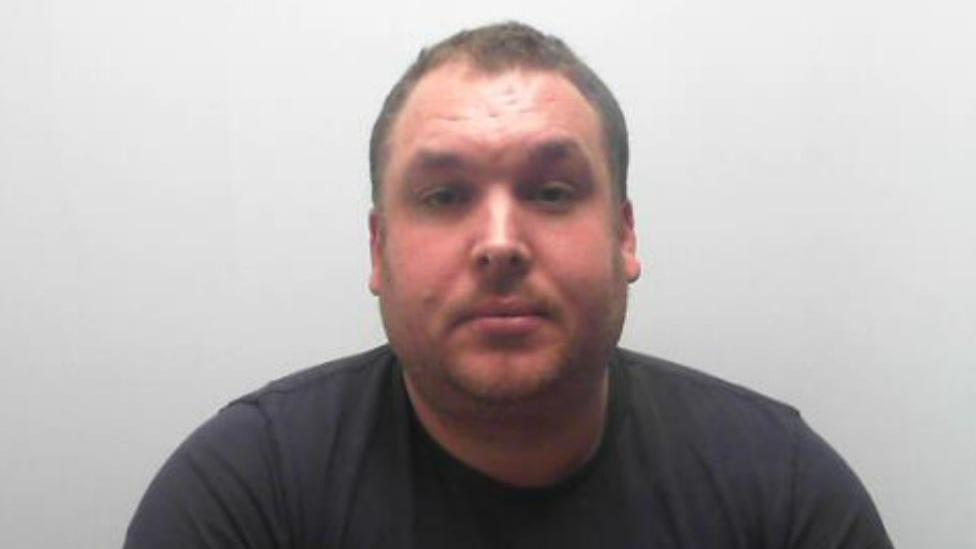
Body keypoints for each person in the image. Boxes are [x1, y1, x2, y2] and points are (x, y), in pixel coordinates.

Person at [124, 22, 893, 548]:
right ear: (379, 248)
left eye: (552, 192)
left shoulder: (781, 496)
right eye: (445, 196)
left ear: (625, 235)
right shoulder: (243, 498)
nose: (499, 243)